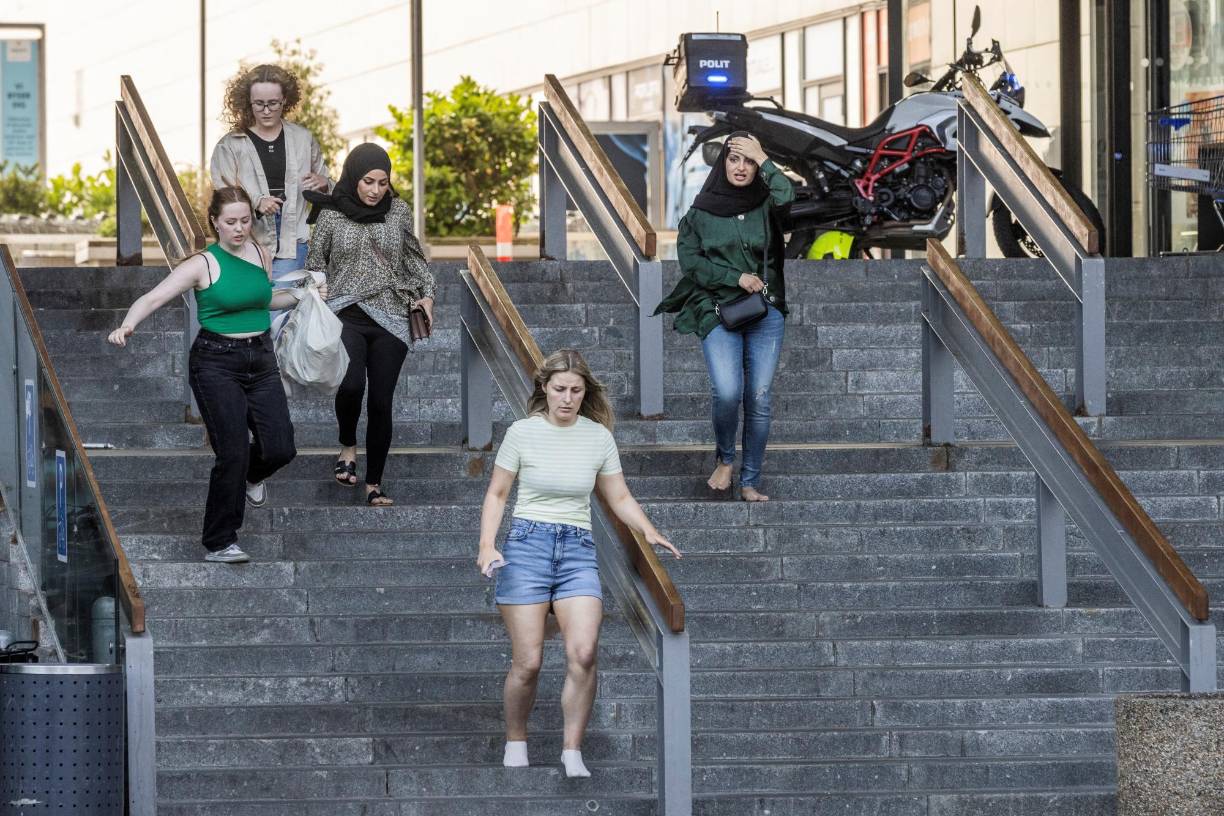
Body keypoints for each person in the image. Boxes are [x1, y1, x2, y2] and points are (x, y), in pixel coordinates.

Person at [475, 349, 681, 778]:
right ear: (544, 388)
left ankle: (572, 750)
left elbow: (618, 495)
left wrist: (648, 530)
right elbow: (497, 493)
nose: (567, 398)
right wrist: (486, 545)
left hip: (577, 550)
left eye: (575, 390)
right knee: (528, 662)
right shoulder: (522, 432)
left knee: (584, 653)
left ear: (586, 393)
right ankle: (516, 739)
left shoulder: (597, 437)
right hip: (527, 547)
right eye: (560, 389)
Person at [107, 187, 314, 563]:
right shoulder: (202, 264)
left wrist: (302, 295)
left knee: (281, 447)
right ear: (215, 222)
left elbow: (264, 299)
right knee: (232, 452)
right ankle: (220, 541)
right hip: (216, 362)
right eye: (231, 222)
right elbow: (153, 297)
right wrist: (127, 325)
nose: (239, 228)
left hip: (261, 358)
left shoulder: (260, 253)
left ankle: (252, 476)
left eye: (245, 220)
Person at [655, 132, 795, 502]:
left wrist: (763, 156)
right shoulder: (700, 212)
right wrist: (735, 277)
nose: (741, 167)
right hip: (717, 310)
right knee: (729, 391)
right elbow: (691, 262)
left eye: (748, 161)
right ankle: (725, 459)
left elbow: (787, 195)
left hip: (765, 311)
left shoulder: (767, 203)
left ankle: (749, 482)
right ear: (723, 163)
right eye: (734, 159)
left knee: (759, 397)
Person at [303, 143, 435, 506]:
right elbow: (315, 262)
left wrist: (427, 295)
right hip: (346, 311)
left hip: (392, 316)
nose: (376, 190)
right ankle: (347, 444)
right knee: (350, 386)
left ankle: (374, 483)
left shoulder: (399, 211)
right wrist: (316, 284)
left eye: (382, 182)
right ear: (353, 178)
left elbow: (414, 259)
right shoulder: (330, 214)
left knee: (380, 400)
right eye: (368, 181)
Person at [210, 63, 331, 277]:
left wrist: (324, 183)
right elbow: (223, 196)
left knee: (284, 298)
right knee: (252, 297)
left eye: (273, 104)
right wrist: (256, 201)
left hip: (292, 239)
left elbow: (332, 190)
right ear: (248, 101)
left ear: (285, 100)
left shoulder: (303, 138)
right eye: (259, 104)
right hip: (246, 240)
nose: (266, 111)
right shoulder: (229, 145)